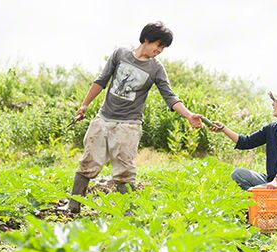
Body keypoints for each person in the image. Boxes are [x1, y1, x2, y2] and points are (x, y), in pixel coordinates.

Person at [68, 21, 202, 213]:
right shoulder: (120, 54)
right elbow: (101, 80)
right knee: (88, 163)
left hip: (128, 125)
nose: (160, 50)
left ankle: (128, 213)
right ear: (146, 39)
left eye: (163, 47)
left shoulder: (156, 69)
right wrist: (84, 105)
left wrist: (189, 115)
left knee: (124, 171)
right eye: (159, 45)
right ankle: (73, 207)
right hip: (103, 119)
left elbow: (170, 96)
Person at [208, 88, 277, 198]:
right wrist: (223, 129)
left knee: (257, 191)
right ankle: (261, 200)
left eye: (276, 101)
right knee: (238, 174)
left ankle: (259, 200)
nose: (272, 104)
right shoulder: (271, 129)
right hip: (270, 182)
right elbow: (245, 142)